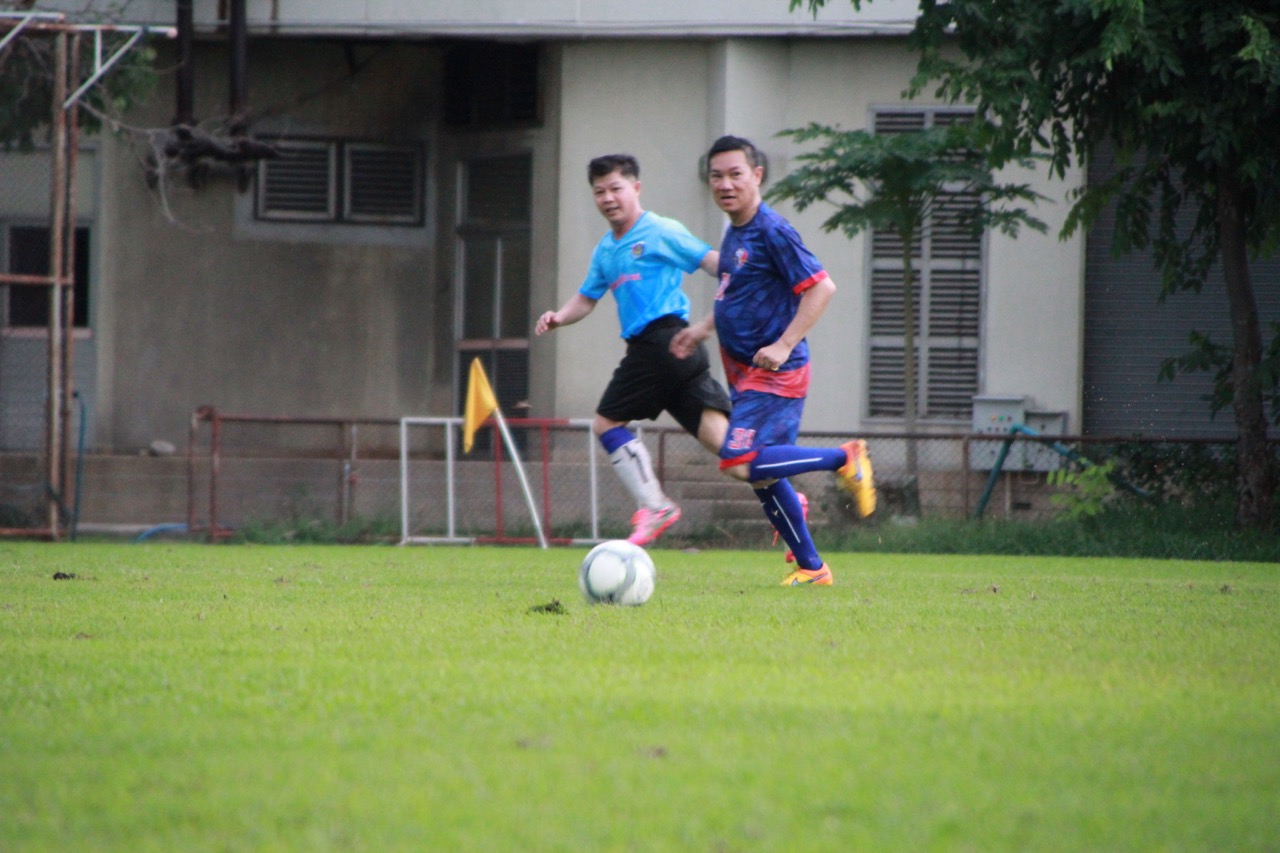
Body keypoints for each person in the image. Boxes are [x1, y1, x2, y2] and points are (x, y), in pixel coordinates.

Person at [672, 134, 876, 586]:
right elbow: (737, 293)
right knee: (762, 475)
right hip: (746, 373)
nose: (725, 184)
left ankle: (844, 458)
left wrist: (784, 344)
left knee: (738, 461)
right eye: (716, 176)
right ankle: (812, 568)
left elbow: (822, 288)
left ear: (757, 176)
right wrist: (703, 328)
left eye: (735, 174)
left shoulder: (772, 230)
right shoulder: (735, 231)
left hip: (775, 373)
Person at [535, 153, 731, 546]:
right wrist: (559, 316)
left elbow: (718, 264)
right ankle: (794, 483)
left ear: (636, 188)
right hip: (674, 353)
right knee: (724, 445)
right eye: (599, 192)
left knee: (606, 425)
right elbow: (587, 298)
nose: (608, 198)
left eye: (616, 188)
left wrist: (726, 304)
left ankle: (656, 506)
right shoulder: (606, 251)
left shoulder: (660, 230)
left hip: (662, 342)